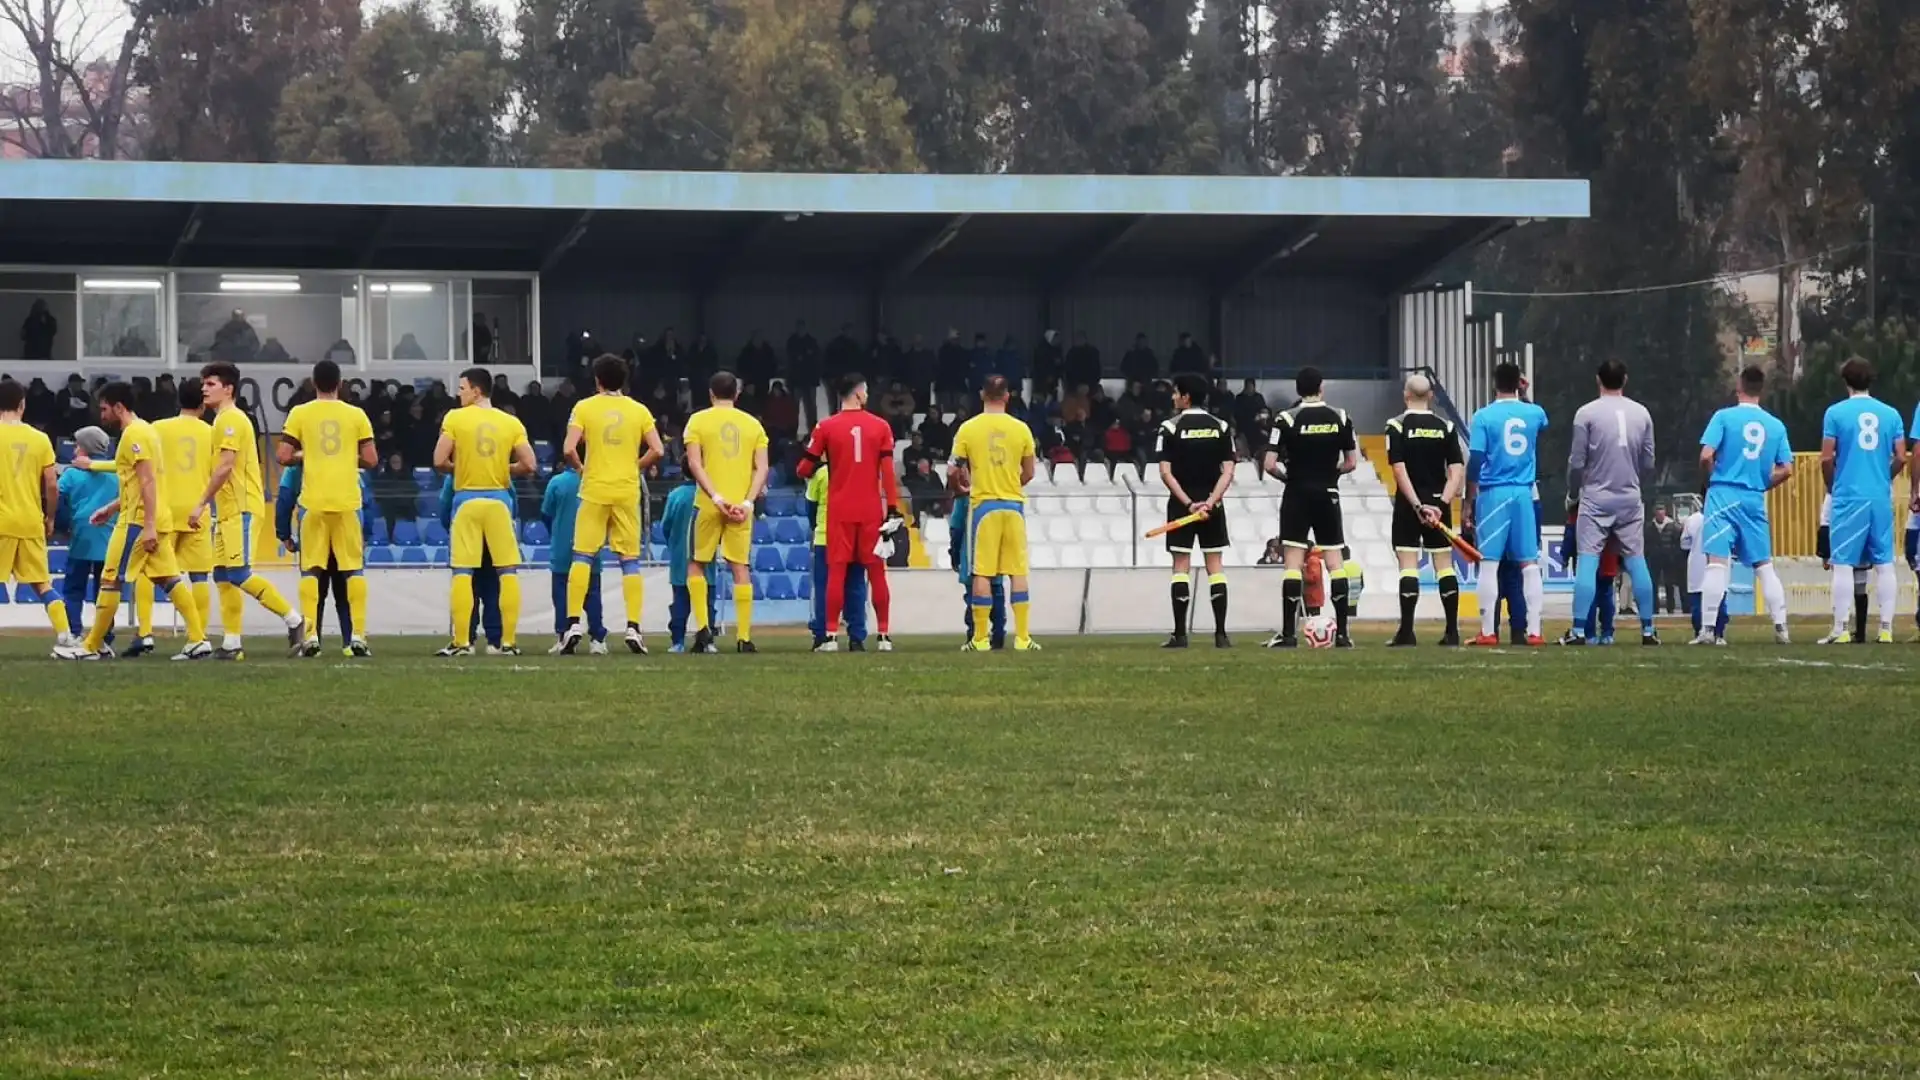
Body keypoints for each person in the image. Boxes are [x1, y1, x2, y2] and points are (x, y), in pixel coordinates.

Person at [74, 382, 212, 661]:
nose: (101, 416)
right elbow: (140, 483)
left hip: (138, 522)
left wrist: (147, 525)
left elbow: (147, 481)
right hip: (153, 516)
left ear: (118, 407)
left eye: (104, 409)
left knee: (111, 579)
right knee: (169, 579)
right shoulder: (146, 430)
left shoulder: (134, 434)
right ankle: (198, 640)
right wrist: (112, 508)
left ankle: (90, 646)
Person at [194, 361, 305, 659]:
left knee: (240, 573)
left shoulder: (231, 420)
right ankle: (232, 643)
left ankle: (294, 619)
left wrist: (201, 503)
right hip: (227, 509)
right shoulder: (220, 420)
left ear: (228, 388)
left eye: (211, 383)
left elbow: (226, 466)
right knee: (222, 575)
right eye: (203, 383)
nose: (204, 388)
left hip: (241, 507)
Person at [559, 354, 665, 655]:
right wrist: (636, 466)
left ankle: (573, 624)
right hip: (626, 490)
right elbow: (657, 449)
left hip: (594, 489)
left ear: (597, 380)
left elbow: (568, 448)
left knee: (582, 557)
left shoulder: (584, 407)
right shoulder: (639, 410)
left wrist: (581, 468)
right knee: (629, 560)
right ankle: (633, 627)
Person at [278, 359, 377, 658]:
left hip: (313, 503)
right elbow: (371, 459)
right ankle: (358, 635)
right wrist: (347, 458)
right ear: (341, 383)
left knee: (311, 571)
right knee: (352, 571)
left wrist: (305, 454)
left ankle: (310, 637)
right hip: (348, 503)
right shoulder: (356, 414)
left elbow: (283, 455)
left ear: (313, 383)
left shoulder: (300, 413)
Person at [794, 372, 899, 652]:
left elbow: (803, 469)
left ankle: (830, 636)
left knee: (836, 574)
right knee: (876, 574)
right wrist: (892, 509)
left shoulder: (825, 427)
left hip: (839, 511)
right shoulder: (881, 427)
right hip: (870, 510)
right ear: (859, 393)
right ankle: (884, 636)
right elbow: (888, 473)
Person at [434, 368, 535, 657]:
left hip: (467, 500)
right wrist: (502, 469)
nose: (459, 392)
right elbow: (529, 464)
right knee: (507, 571)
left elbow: (439, 460)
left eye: (462, 387)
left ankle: (462, 642)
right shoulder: (510, 422)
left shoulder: (455, 418)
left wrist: (464, 466)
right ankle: (509, 642)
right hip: (500, 502)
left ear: (476, 391)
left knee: (463, 573)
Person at [1261, 367, 1359, 648]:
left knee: (1293, 563)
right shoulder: (1341, 417)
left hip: (1297, 493)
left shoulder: (1285, 419)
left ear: (1297, 389)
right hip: (1327, 492)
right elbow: (1352, 462)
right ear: (1321, 387)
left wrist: (1288, 477)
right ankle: (1342, 634)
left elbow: (1268, 464)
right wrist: (1332, 475)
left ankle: (1288, 635)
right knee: (1335, 564)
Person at [1697, 365, 1795, 645]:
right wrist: (1763, 483)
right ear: (1761, 390)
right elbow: (1787, 469)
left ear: (1739, 386)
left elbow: (1706, 455)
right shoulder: (1776, 425)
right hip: (1753, 498)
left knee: (1717, 563)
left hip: (1723, 493)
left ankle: (1707, 629)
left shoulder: (1724, 417)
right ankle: (1781, 627)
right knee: (1764, 565)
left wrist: (1710, 478)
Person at [1564, 359, 1659, 646]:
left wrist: (1573, 493)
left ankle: (1579, 630)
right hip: (1629, 495)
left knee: (1588, 561)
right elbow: (1649, 462)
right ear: (1625, 380)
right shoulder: (1642, 413)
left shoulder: (1586, 413)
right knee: (1636, 560)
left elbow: (1576, 462)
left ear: (1598, 380)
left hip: (1596, 497)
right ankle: (1647, 629)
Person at [1818, 356, 1906, 644]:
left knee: (1842, 562)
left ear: (1846, 382)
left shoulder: (1835, 413)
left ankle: (1841, 628)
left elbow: (1827, 457)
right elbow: (1901, 457)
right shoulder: (1891, 414)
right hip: (1880, 496)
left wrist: (1833, 485)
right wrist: (1884, 476)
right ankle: (1886, 629)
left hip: (1849, 496)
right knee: (1884, 563)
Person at [682, 370, 771, 654]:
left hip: (709, 504)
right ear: (737, 393)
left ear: (710, 393)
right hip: (740, 507)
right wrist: (746, 502)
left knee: (696, 563)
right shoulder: (753, 425)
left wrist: (716, 497)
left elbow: (695, 464)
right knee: (739, 567)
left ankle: (703, 630)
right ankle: (744, 637)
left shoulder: (697, 421)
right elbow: (763, 468)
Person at [950, 375, 1038, 651]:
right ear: (1008, 396)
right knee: (1018, 571)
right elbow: (1030, 472)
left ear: (982, 394)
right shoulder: (1021, 429)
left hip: (983, 506)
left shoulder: (968, 428)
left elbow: (953, 469)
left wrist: (963, 486)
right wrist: (1011, 485)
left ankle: (980, 639)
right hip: (1013, 506)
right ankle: (1023, 638)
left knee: (982, 573)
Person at [1465, 361, 1549, 646]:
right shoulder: (1534, 412)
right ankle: (1535, 631)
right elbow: (1541, 422)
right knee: (1529, 563)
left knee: (1489, 563)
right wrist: (1523, 394)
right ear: (1519, 383)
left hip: (1494, 492)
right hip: (1524, 492)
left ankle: (1488, 630)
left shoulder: (1483, 416)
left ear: (1493, 383)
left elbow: (1475, 459)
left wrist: (1469, 497)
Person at [133, 378, 216, 654]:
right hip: (198, 509)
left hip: (164, 510)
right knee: (200, 576)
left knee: (149, 570)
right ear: (203, 404)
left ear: (178, 401)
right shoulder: (211, 432)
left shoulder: (158, 429)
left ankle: (145, 633)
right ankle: (198, 638)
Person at [1384, 373, 1466, 646]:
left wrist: (1417, 505)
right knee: (1444, 565)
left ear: (1406, 395)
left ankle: (1407, 631)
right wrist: (1441, 504)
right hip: (1438, 503)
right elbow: (1456, 471)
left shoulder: (1396, 426)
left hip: (1410, 505)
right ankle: (1452, 631)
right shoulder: (1446, 427)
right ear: (1431, 396)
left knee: (1408, 564)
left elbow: (1399, 469)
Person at [1155, 372, 1235, 649]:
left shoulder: (1170, 427)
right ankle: (1221, 634)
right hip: (1214, 507)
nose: (1173, 397)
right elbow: (1228, 470)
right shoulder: (1222, 427)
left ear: (1186, 396)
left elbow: (1165, 472)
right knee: (1216, 566)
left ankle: (1180, 634)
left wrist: (1189, 504)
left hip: (1182, 506)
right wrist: (1210, 502)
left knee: (1180, 567)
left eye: (1176, 392)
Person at [0, 379, 79, 657]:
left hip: (1, 521)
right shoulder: (39, 438)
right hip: (31, 519)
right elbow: (51, 484)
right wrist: (49, 517)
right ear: (22, 405)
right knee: (42, 582)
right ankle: (65, 635)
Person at [274, 461, 359, 652]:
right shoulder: (344, 459)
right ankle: (351, 642)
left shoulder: (296, 466)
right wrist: (365, 533)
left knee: (314, 591)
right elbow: (363, 497)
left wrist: (284, 534)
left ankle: (312, 640)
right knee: (344, 592)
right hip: (342, 529)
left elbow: (285, 499)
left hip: (313, 529)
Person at [56, 426, 117, 650]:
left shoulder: (71, 474)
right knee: (107, 591)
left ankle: (73, 631)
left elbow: (60, 502)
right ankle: (104, 636)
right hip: (109, 539)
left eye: (77, 446)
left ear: (85, 448)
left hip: (81, 537)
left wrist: (63, 527)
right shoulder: (116, 474)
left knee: (73, 588)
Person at [539, 457, 607, 655]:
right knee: (592, 595)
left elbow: (546, 513)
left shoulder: (557, 483)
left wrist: (557, 531)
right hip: (591, 548)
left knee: (562, 596)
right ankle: (597, 640)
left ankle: (563, 636)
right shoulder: (596, 482)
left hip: (562, 549)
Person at [803, 463, 870, 650]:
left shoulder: (821, 474)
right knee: (855, 587)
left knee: (825, 587)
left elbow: (810, 507)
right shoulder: (860, 471)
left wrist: (817, 527)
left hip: (826, 538)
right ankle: (856, 637)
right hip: (855, 537)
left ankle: (824, 635)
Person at [438, 471, 504, 653]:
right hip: (492, 541)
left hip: (466, 538)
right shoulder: (499, 473)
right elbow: (510, 505)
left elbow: (444, 508)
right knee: (494, 592)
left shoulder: (455, 477)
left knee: (467, 588)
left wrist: (456, 528)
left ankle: (466, 639)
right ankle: (495, 641)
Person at [659, 478, 720, 653]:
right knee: (707, 602)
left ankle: (678, 642)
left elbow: (666, 526)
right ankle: (708, 641)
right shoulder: (711, 493)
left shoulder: (676, 495)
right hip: (706, 557)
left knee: (680, 603)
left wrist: (673, 543)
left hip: (680, 559)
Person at [1680, 493, 1730, 643]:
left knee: (1707, 601)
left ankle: (1708, 633)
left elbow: (1684, 544)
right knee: (1712, 600)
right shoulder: (1724, 517)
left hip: (1700, 565)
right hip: (1712, 565)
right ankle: (1716, 634)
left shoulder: (1693, 520)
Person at [1648, 504, 1683, 613]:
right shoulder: (1649, 527)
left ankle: (1670, 608)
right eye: (1658, 510)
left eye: (1662, 510)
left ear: (1665, 512)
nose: (1660, 513)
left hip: (1669, 559)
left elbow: (1678, 542)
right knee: (1654, 584)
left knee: (1669, 584)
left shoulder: (1673, 527)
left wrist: (1674, 555)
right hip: (1654, 559)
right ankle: (1654, 608)